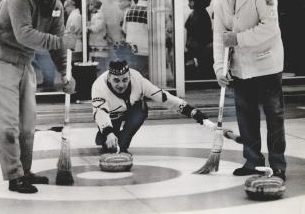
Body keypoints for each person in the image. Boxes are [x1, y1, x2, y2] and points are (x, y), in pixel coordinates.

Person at [0, 0, 77, 193]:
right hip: (0, 59)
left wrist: (65, 73)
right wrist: (60, 41)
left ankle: (25, 171)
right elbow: (24, 35)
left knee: (27, 123)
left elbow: (57, 46)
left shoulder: (55, 5)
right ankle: (14, 176)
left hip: (24, 62)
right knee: (8, 124)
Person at [211, 0, 286, 181]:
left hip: (267, 65)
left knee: (274, 116)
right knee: (246, 117)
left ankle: (278, 165)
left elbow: (271, 26)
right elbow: (218, 36)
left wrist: (239, 38)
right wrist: (220, 68)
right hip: (240, 68)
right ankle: (253, 161)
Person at [92, 60, 228, 154]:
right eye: (116, 80)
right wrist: (108, 132)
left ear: (129, 76)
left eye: (125, 79)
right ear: (109, 77)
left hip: (132, 110)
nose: (121, 85)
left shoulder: (137, 79)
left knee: (139, 113)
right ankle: (105, 135)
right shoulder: (99, 87)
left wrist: (195, 113)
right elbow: (100, 112)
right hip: (110, 116)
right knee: (108, 144)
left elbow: (165, 98)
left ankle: (122, 144)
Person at [185, 0, 213, 79]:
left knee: (198, 71)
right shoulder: (199, 13)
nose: (188, 4)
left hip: (199, 49)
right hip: (198, 48)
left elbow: (199, 34)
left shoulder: (198, 14)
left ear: (194, 2)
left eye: (190, 1)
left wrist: (196, 56)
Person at [122, 0, 149, 78]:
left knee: (133, 73)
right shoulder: (150, 11)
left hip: (131, 45)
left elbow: (124, 29)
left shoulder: (129, 10)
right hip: (146, 47)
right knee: (145, 73)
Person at [87, 0, 108, 75]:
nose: (89, 7)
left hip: (99, 43)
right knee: (96, 64)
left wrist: (86, 28)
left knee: (100, 65)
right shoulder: (96, 15)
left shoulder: (99, 15)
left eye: (90, 5)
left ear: (94, 6)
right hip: (95, 43)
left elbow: (96, 28)